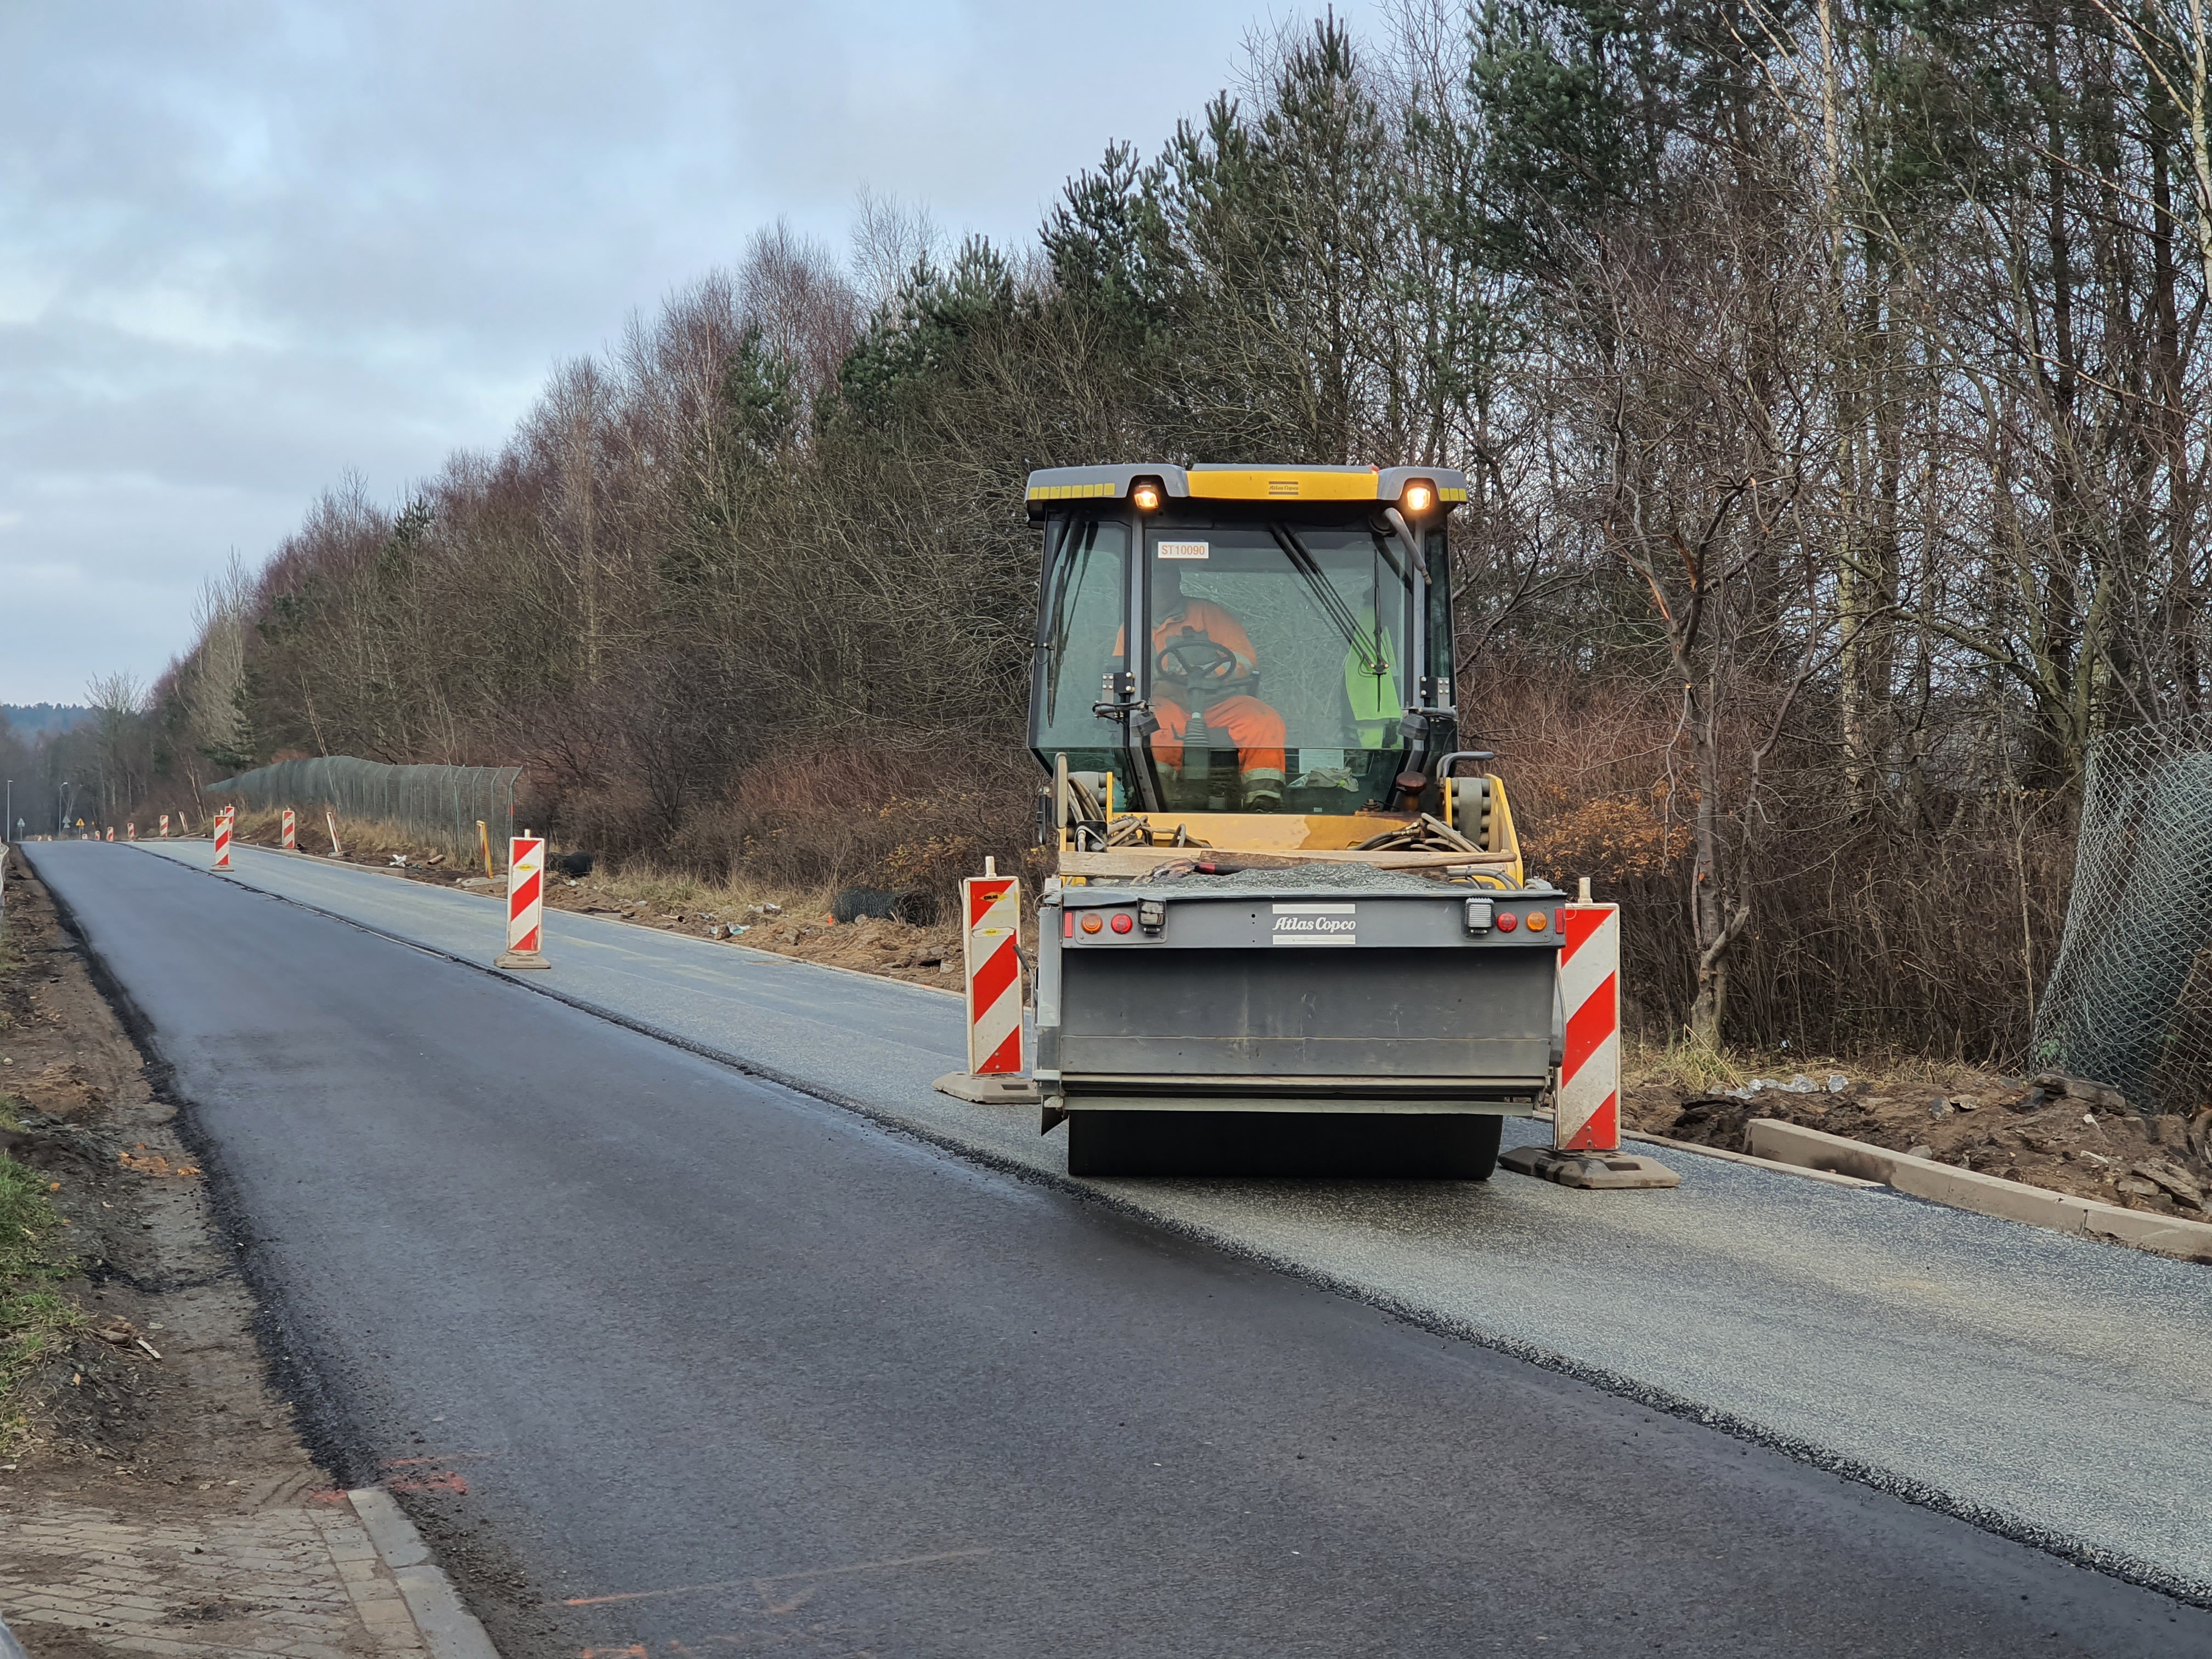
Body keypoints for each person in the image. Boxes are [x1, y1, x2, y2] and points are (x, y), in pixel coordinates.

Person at [1133, 565, 1288, 807]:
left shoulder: (1208, 614)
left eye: (1165, 581)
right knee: (1155, 726)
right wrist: (1158, 677)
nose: (1160, 589)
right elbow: (1126, 672)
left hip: (1217, 702)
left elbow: (1245, 657)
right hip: (1166, 702)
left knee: (1263, 720)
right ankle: (1153, 799)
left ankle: (1263, 801)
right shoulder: (1133, 628)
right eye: (1154, 582)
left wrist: (1213, 673)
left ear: (1177, 581)